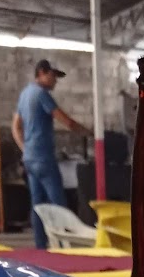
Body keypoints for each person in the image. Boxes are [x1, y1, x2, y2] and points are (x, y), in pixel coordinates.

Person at [11, 59, 88, 249]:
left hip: (29, 159)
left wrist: (25, 149)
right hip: (43, 158)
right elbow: (66, 121)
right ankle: (64, 247)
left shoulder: (25, 94)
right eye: (53, 76)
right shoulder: (42, 94)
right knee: (58, 203)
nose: (55, 81)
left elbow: (15, 127)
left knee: (38, 205)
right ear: (42, 73)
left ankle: (41, 247)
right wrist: (91, 133)